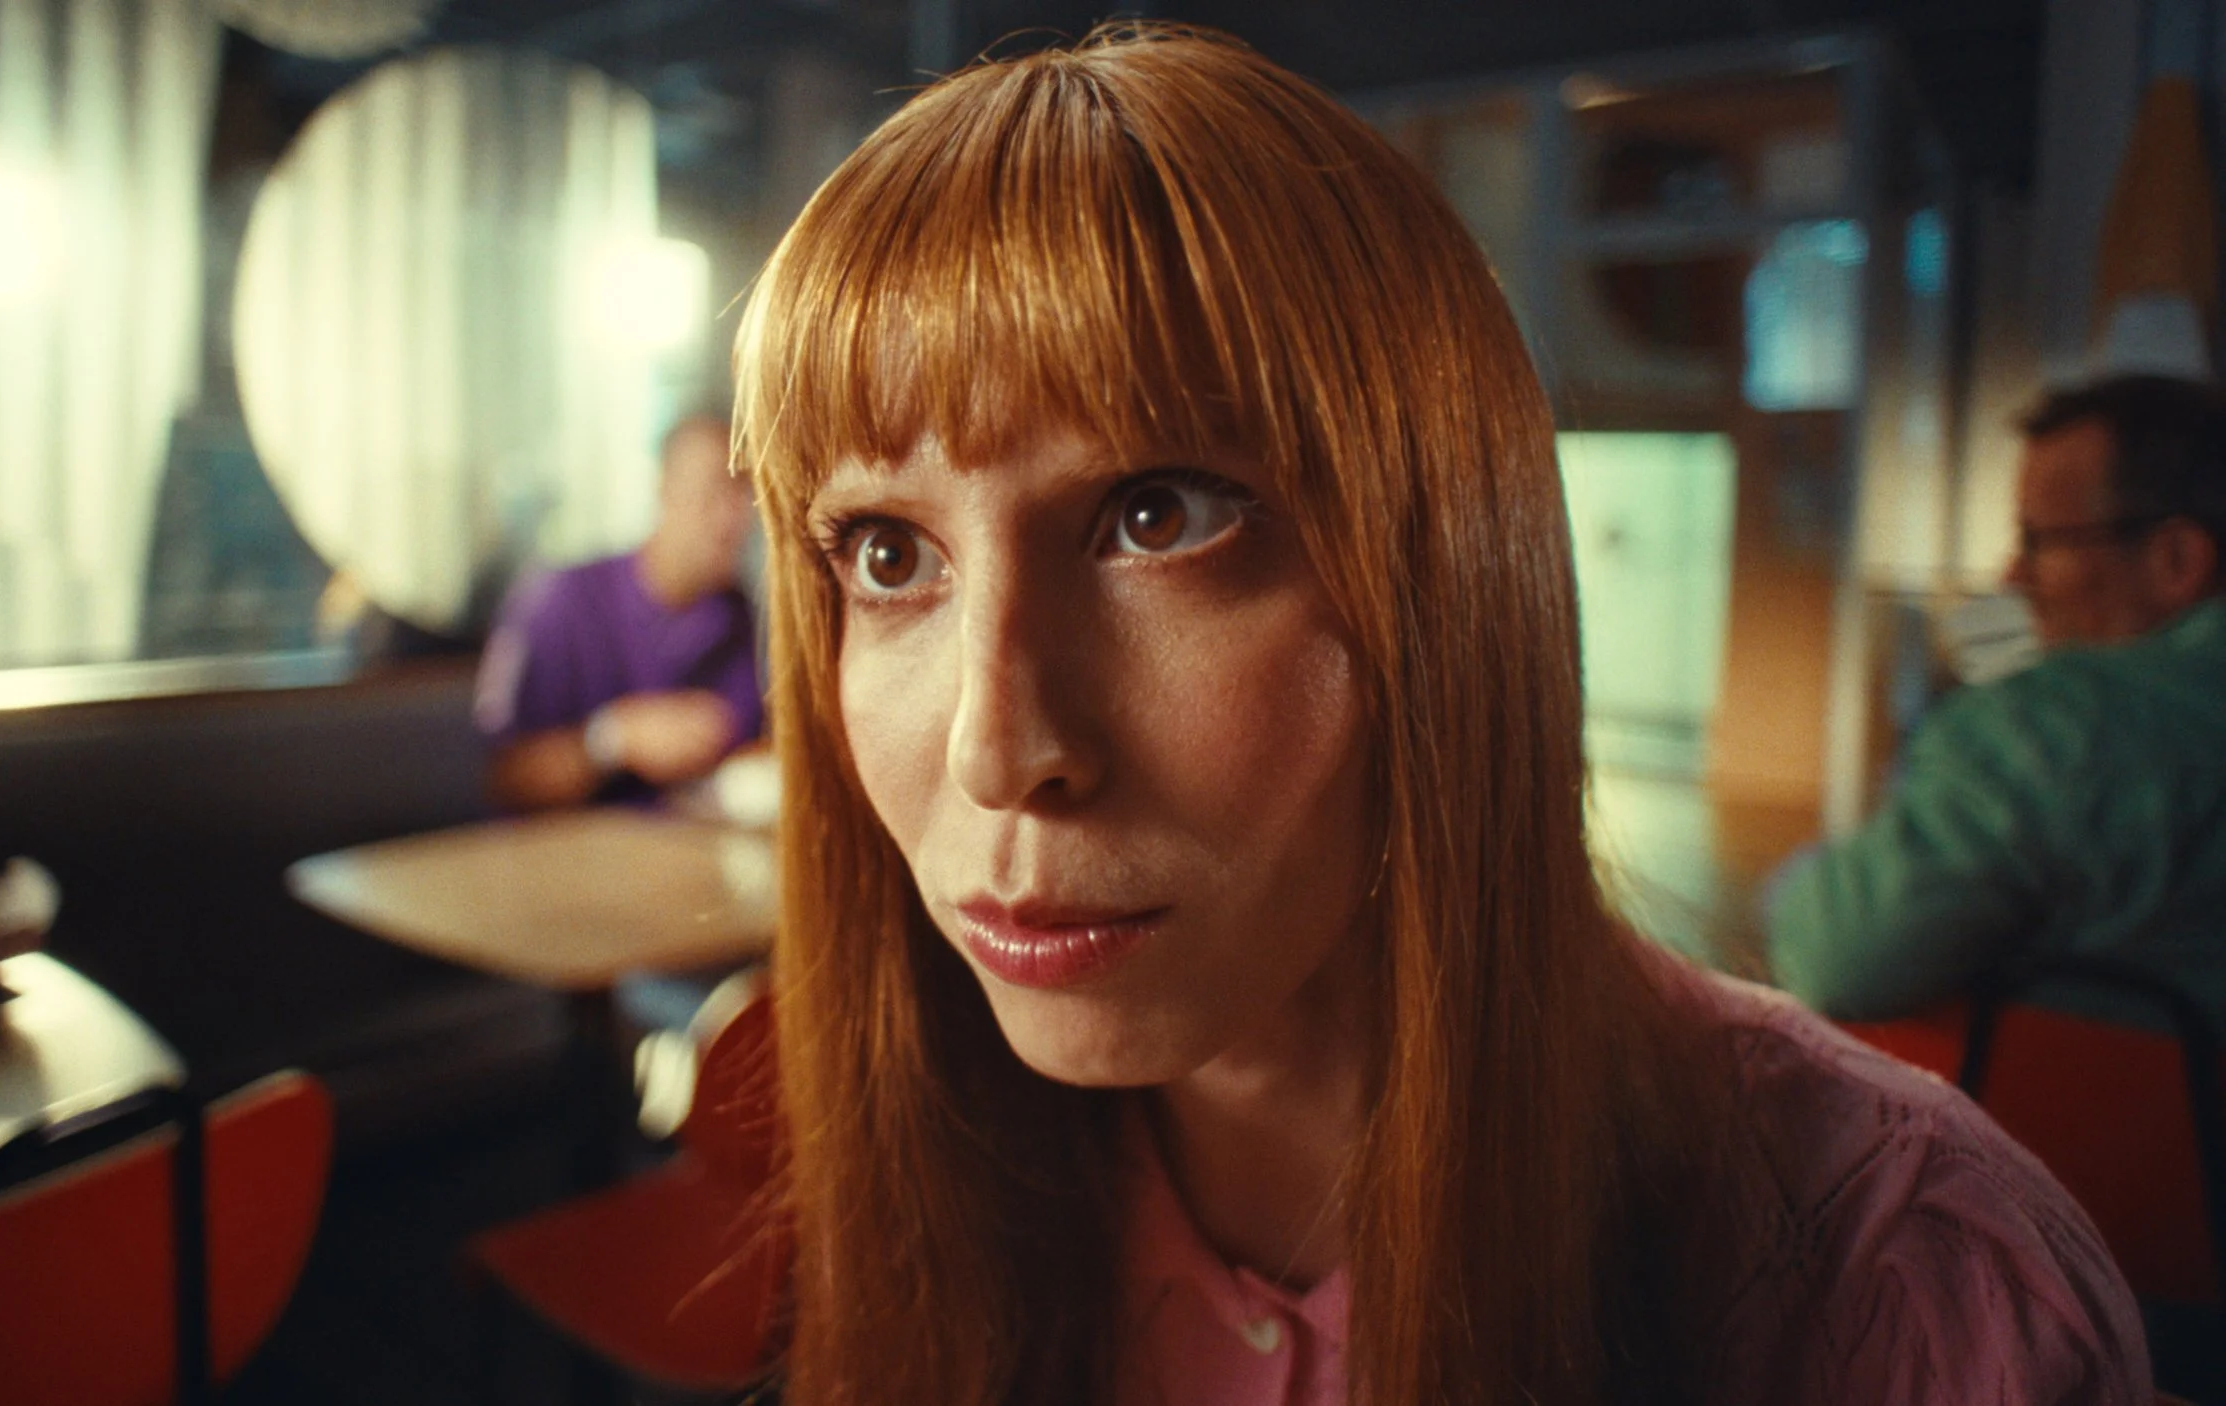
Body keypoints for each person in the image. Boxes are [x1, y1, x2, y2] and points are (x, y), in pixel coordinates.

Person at [729, 25, 2147, 1406]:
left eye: (1154, 516)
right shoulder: (926, 1182)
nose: (997, 747)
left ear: (1447, 572)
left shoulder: (1899, 1282)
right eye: (888, 555)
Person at [1766, 374, 2226, 1024]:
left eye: (2039, 541)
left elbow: (1840, 960)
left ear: (2177, 558)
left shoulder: (2057, 724)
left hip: (2067, 1122)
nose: (2011, 577)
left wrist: (1795, 887)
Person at [473, 413, 765, 810]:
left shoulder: (735, 614)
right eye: (714, 490)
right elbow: (503, 778)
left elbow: (752, 745)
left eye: (747, 494)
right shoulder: (559, 600)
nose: (735, 517)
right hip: (568, 859)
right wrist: (612, 740)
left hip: (689, 852)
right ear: (664, 489)